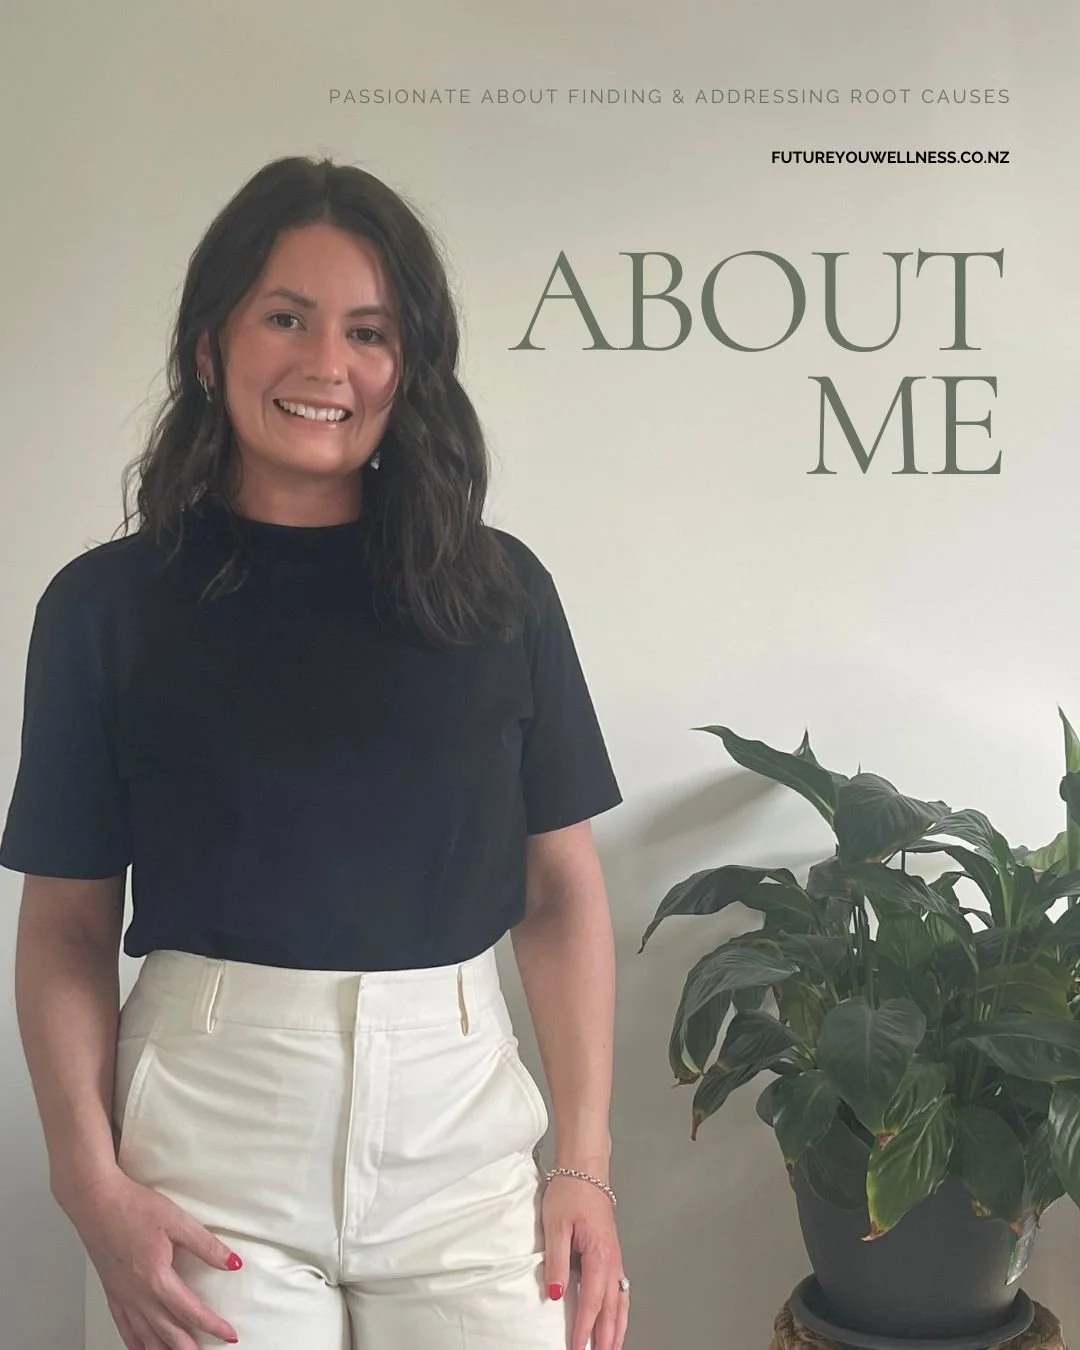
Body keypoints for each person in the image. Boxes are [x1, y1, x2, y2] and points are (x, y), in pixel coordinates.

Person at [2, 155, 628, 1350]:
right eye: (286, 318)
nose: (327, 366)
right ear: (209, 345)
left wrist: (584, 1167)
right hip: (206, 1131)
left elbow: (561, 891)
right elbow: (67, 924)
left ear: (409, 365)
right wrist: (88, 1182)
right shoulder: (105, 608)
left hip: (464, 1132)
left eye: (370, 331)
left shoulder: (499, 594)